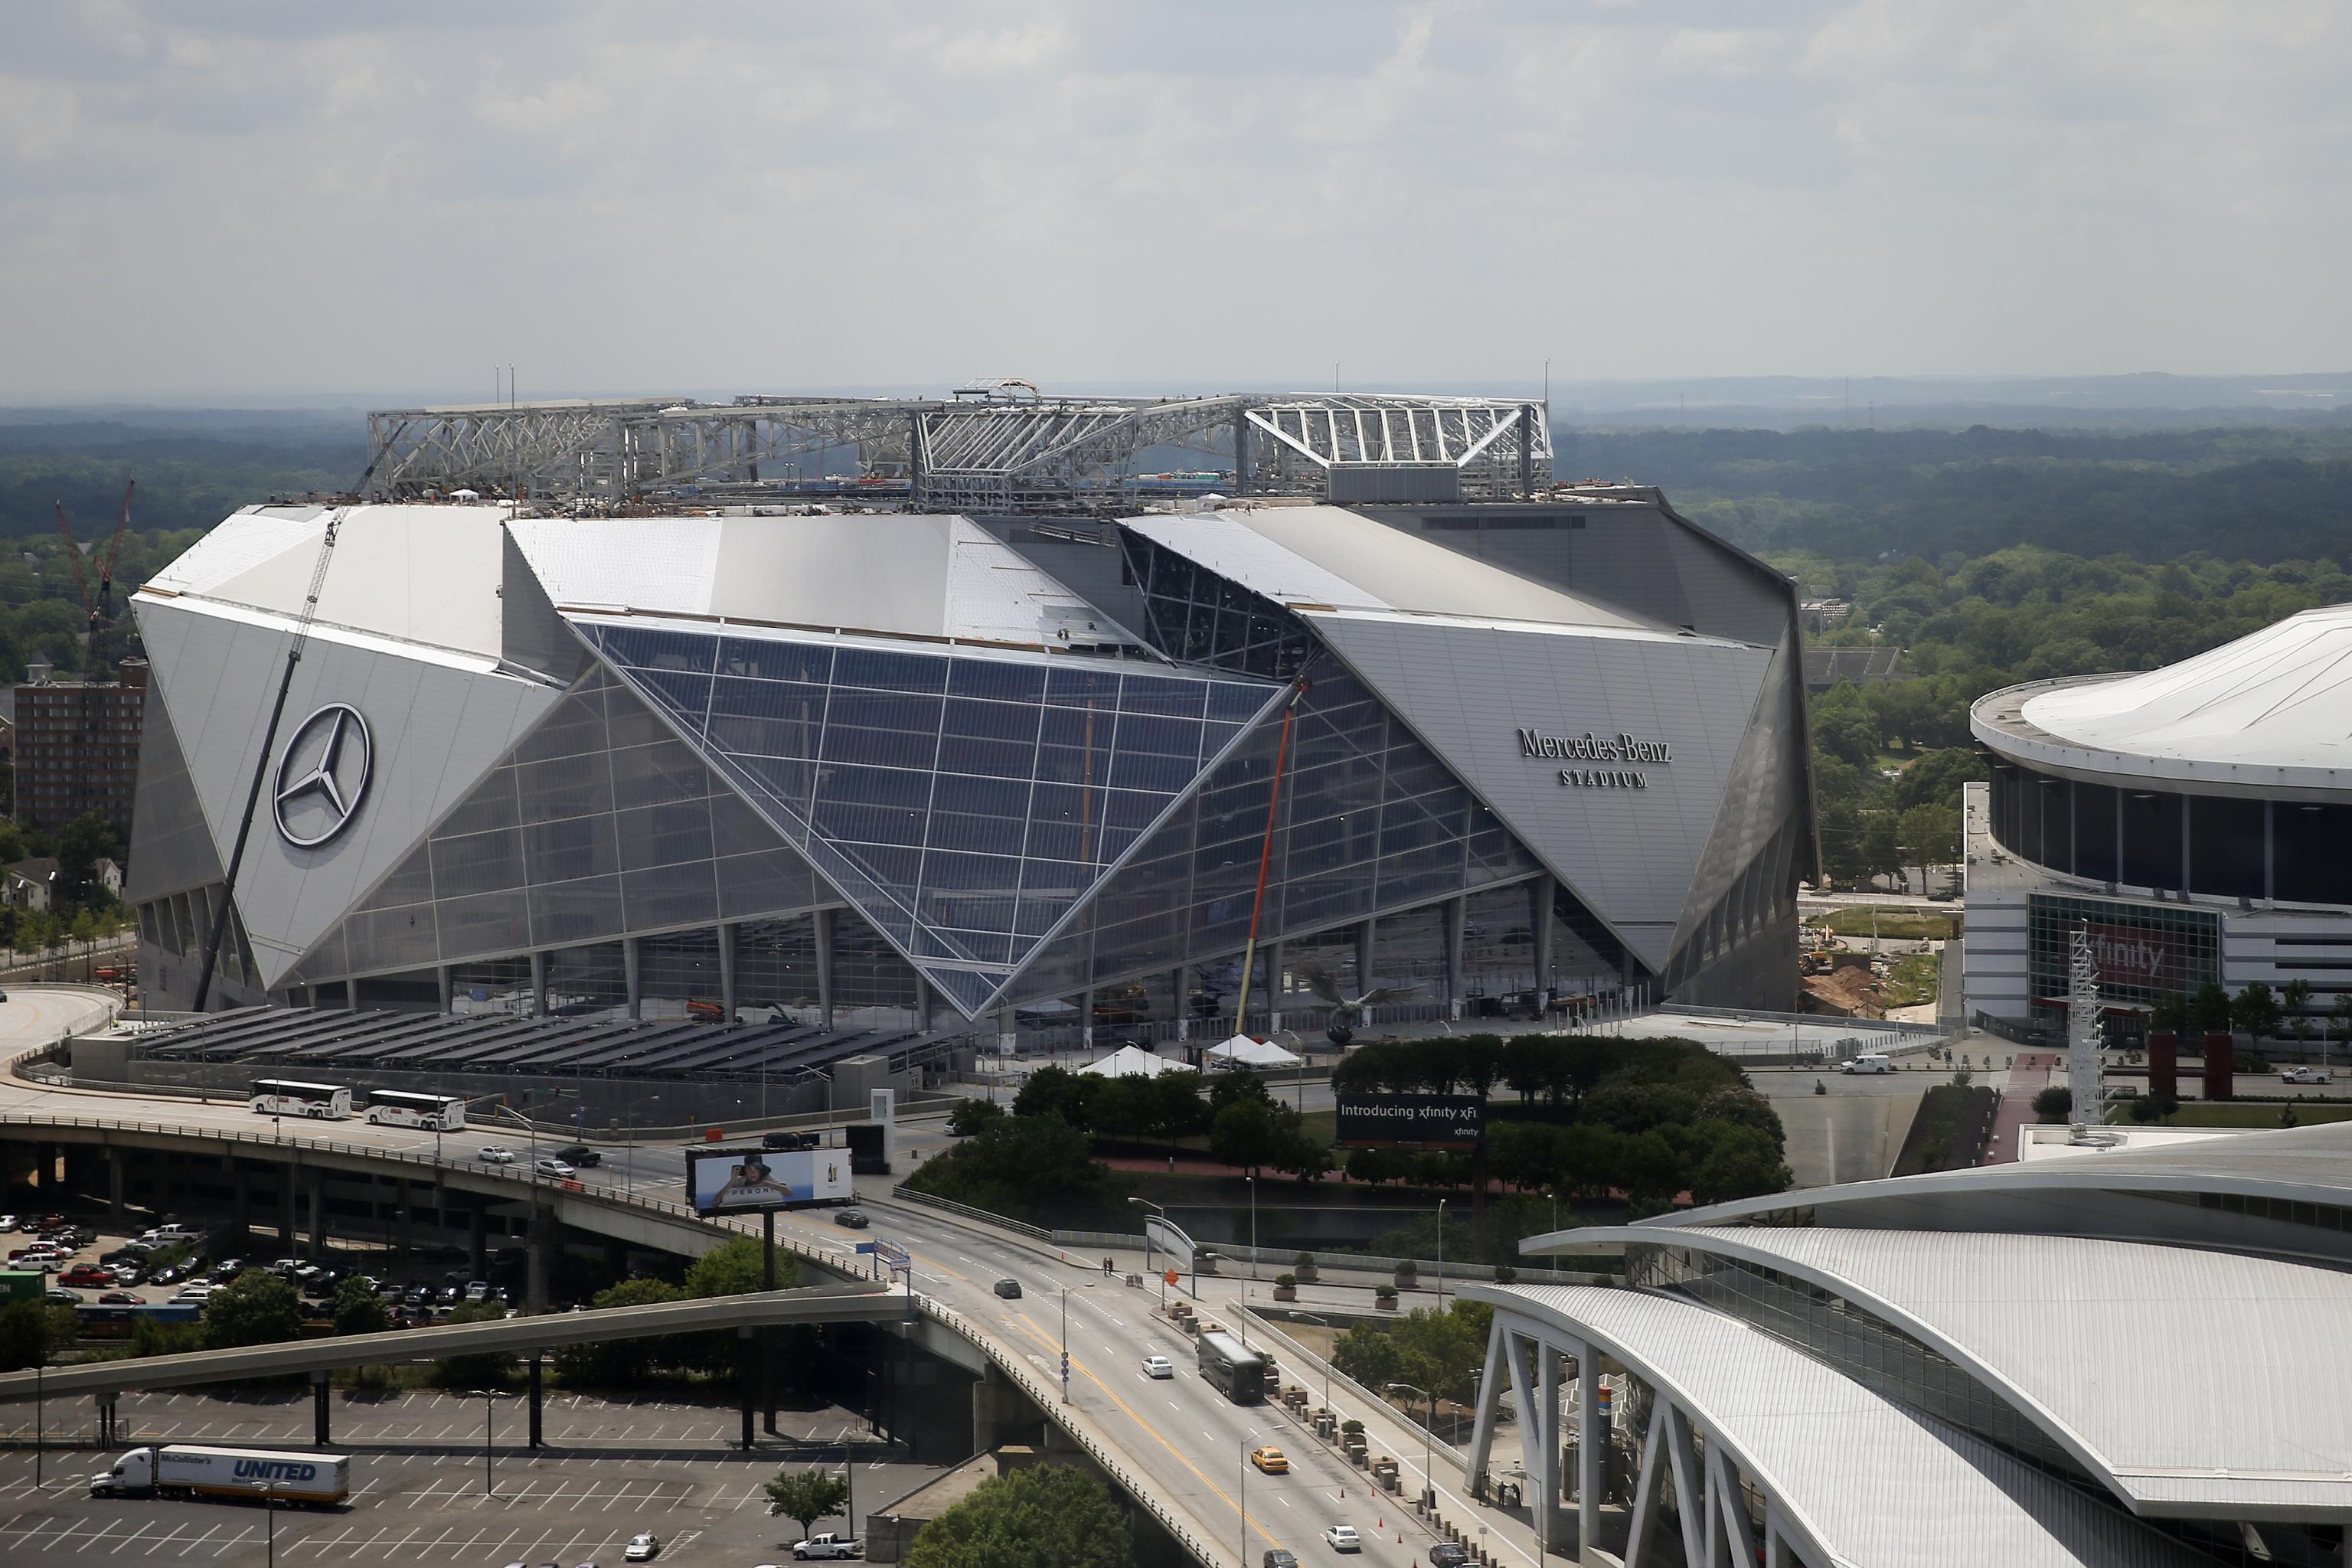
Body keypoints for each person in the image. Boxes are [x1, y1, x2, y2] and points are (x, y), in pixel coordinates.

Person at [708, 1154, 794, 1209]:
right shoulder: (741, 1181)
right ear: (745, 1171)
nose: (753, 1172)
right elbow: (715, 1202)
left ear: (760, 1170)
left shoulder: (767, 1178)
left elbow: (788, 1192)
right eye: (749, 1169)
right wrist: (732, 1181)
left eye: (756, 1168)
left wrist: (767, 1184)